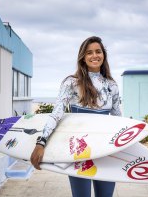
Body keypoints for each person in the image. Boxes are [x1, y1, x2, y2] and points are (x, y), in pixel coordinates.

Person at [30, 36, 122, 197]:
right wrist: (41, 142)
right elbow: (57, 112)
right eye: (89, 53)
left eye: (98, 52)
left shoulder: (112, 85)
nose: (94, 56)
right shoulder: (71, 83)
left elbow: (116, 118)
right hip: (79, 151)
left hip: (105, 149)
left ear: (104, 55)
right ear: (83, 57)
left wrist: (123, 146)